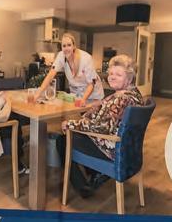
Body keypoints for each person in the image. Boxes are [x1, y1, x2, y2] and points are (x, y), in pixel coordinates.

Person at [55, 54, 144, 198]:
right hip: (127, 149)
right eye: (111, 73)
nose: (112, 77)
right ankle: (96, 173)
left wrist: (70, 124)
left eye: (118, 74)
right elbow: (109, 112)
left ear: (129, 78)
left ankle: (83, 187)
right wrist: (100, 105)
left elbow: (100, 128)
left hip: (111, 149)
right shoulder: (134, 94)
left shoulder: (121, 99)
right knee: (78, 132)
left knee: (62, 140)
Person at [36, 34, 104, 103]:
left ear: (74, 46)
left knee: (89, 110)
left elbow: (91, 83)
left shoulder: (86, 58)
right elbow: (50, 75)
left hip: (93, 95)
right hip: (76, 94)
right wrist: (38, 93)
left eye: (69, 45)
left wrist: (83, 100)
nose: (66, 48)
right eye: (64, 46)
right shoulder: (61, 56)